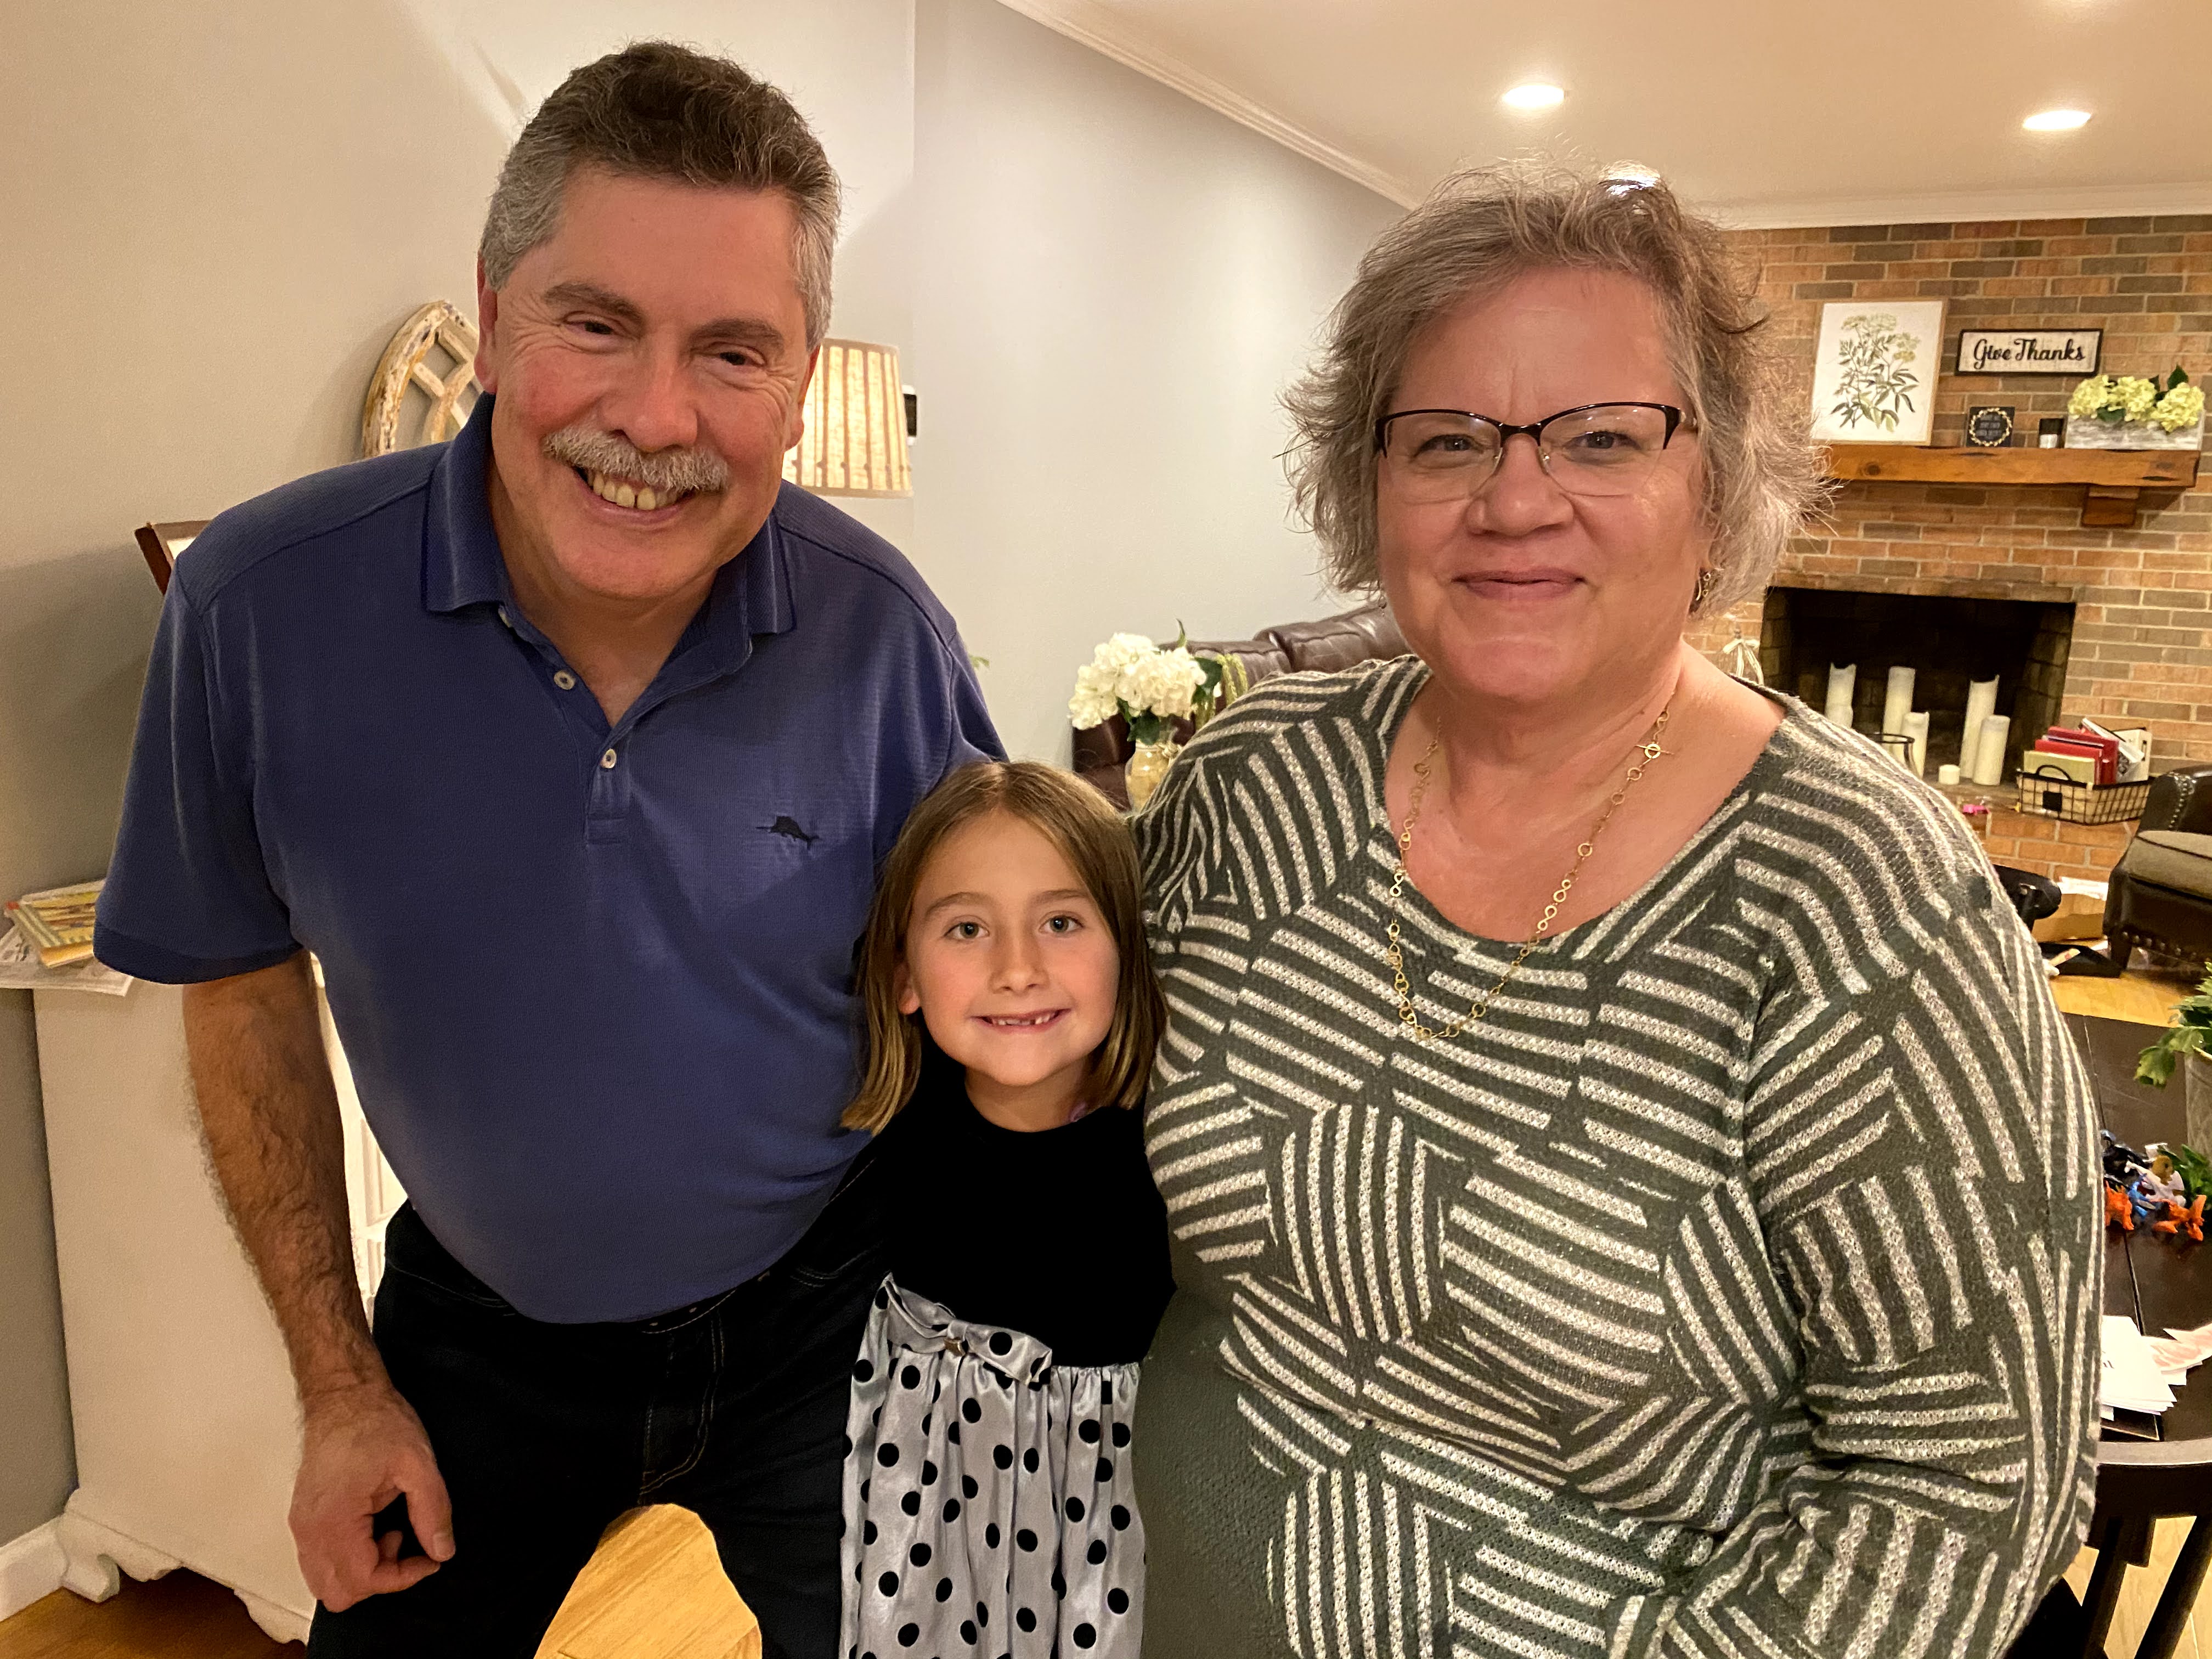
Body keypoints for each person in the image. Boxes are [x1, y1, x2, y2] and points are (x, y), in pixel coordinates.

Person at [93, 43, 997, 1658]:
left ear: (800, 383)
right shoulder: (254, 612)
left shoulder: (885, 635)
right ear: (496, 314)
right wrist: (337, 1389)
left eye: (734, 351)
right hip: (474, 1339)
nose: (655, 417)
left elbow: (995, 993)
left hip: (830, 1316)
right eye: (596, 324)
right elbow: (239, 987)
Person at [1130, 162, 2101, 1659]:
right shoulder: (1249, 786)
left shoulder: (1863, 890)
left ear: (1716, 486)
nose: (1516, 500)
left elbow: (1965, 1489)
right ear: (1368, 487)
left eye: (1602, 437)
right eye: (1447, 439)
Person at [837, 761, 1172, 1659]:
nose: (1018, 969)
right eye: (967, 928)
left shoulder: (1174, 1143)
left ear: (1126, 950)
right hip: (930, 1500)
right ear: (904, 975)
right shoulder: (889, 1133)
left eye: (1061, 922)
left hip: (1111, 1512)